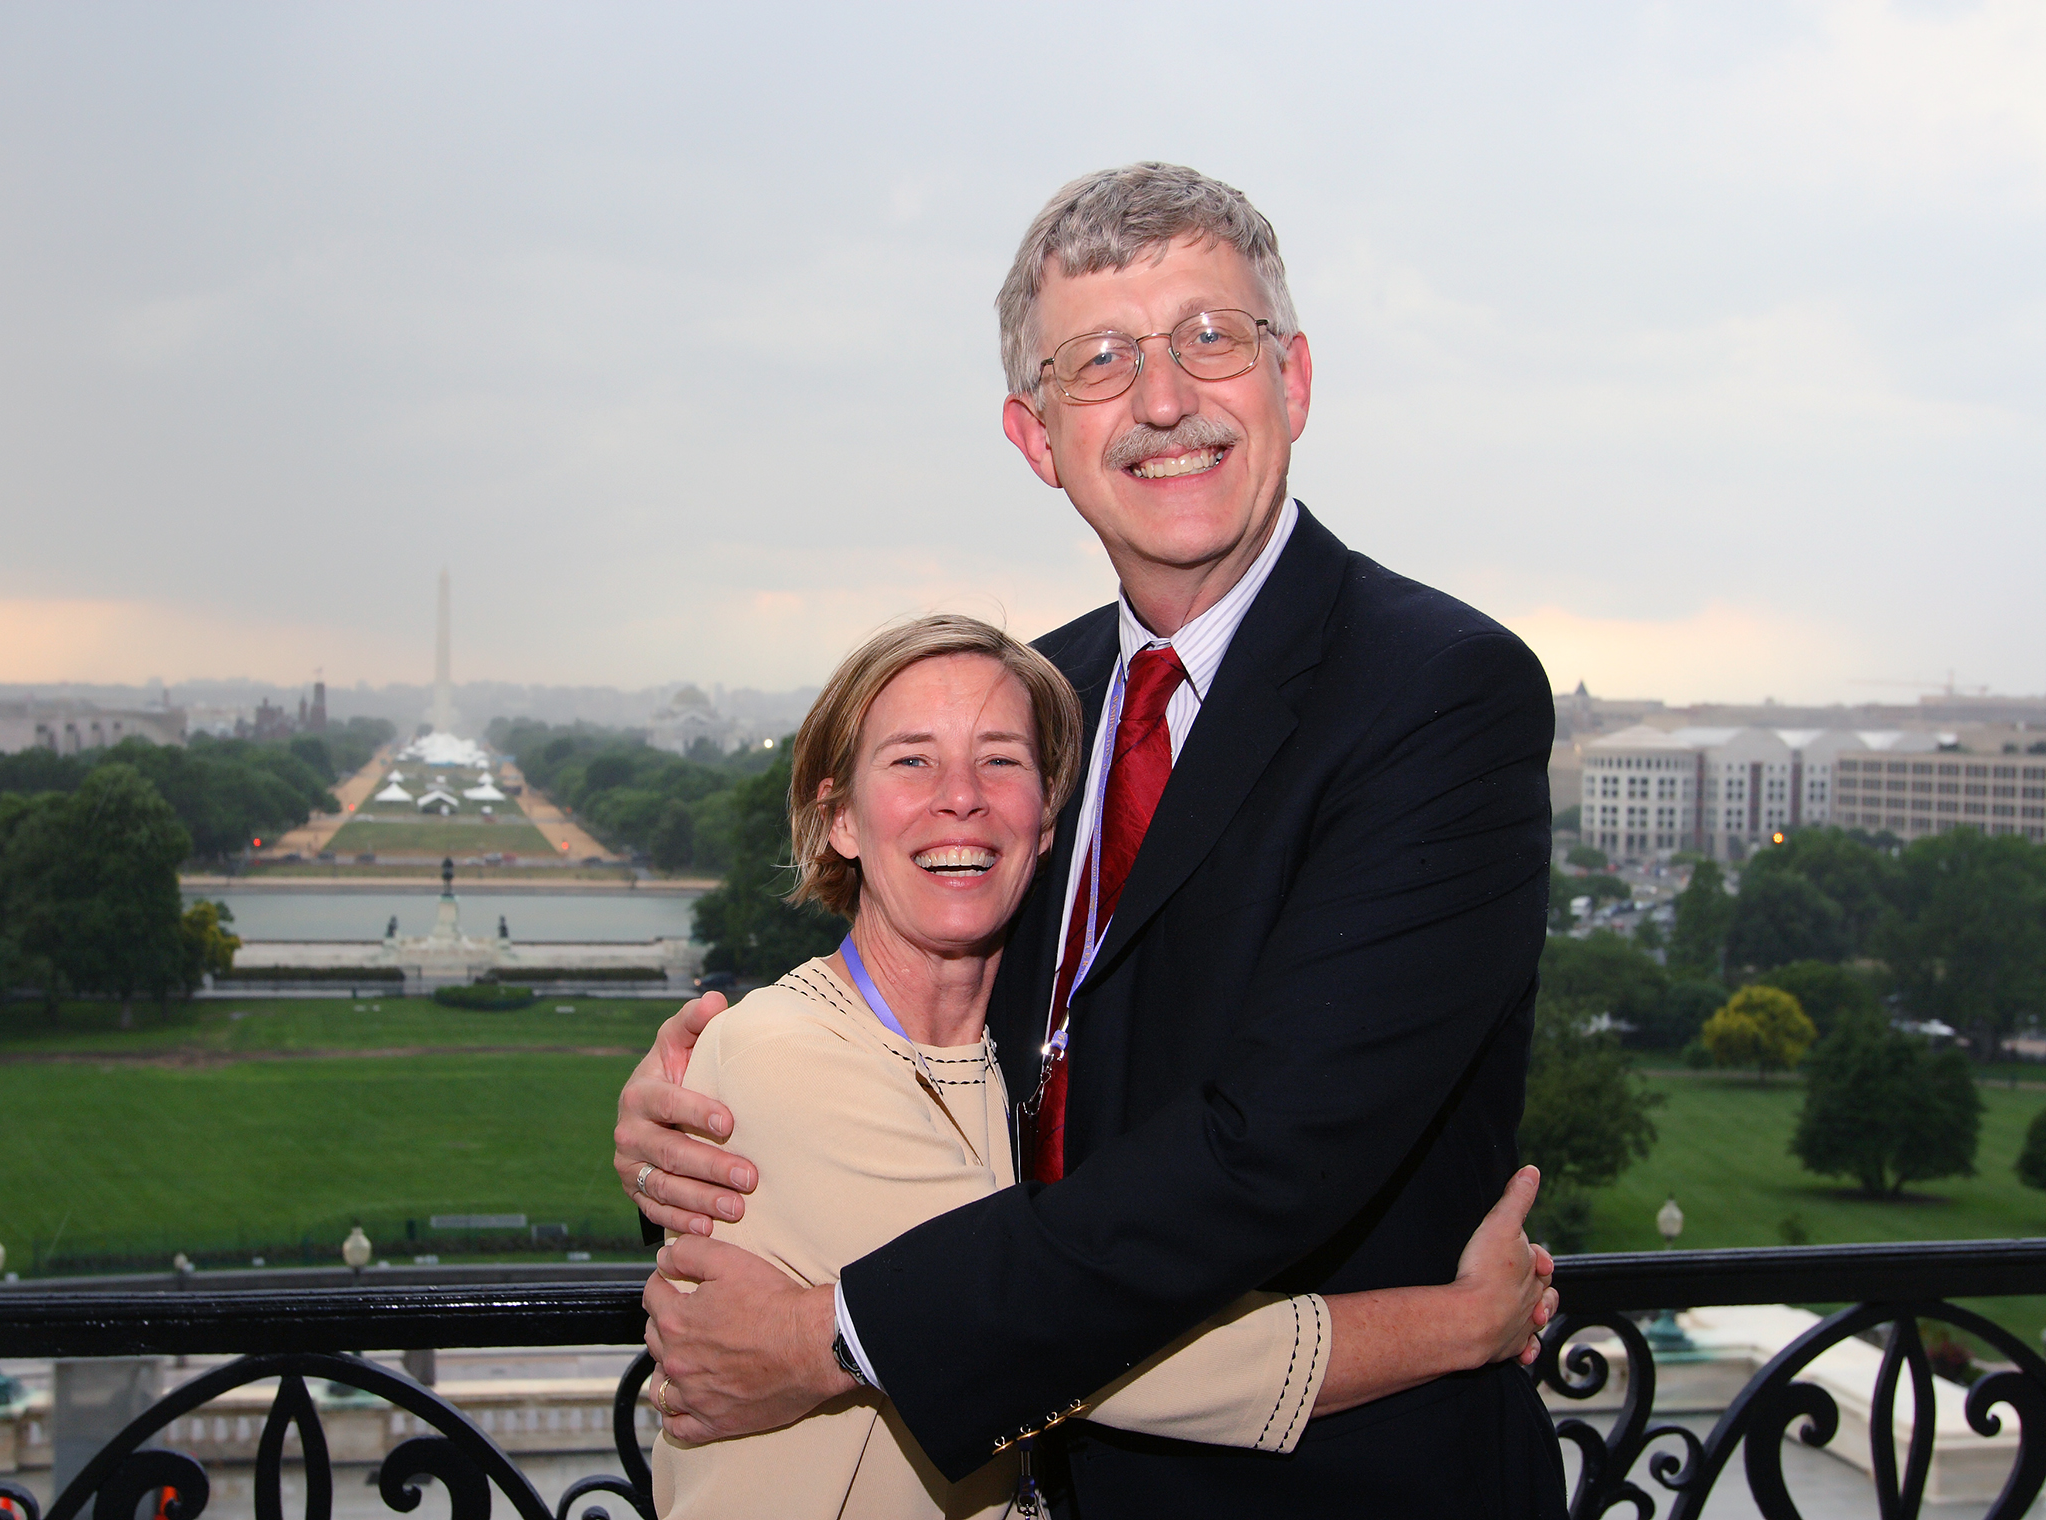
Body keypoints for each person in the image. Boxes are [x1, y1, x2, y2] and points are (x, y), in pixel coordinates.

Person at [619, 163, 1564, 1516]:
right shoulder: (1028, 711)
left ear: (1293, 382)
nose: (1165, 399)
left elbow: (1272, 1161)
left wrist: (840, 1339)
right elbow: (907, 1064)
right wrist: (700, 1137)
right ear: (1036, 436)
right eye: (1102, 360)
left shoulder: (1437, 693)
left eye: (1210, 338)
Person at [651, 613, 1555, 1518]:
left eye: (1001, 760)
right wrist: (1462, 1324)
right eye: (912, 760)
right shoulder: (783, 1054)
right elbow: (1071, 1338)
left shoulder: (1000, 1056)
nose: (960, 796)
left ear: (1050, 824)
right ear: (838, 816)